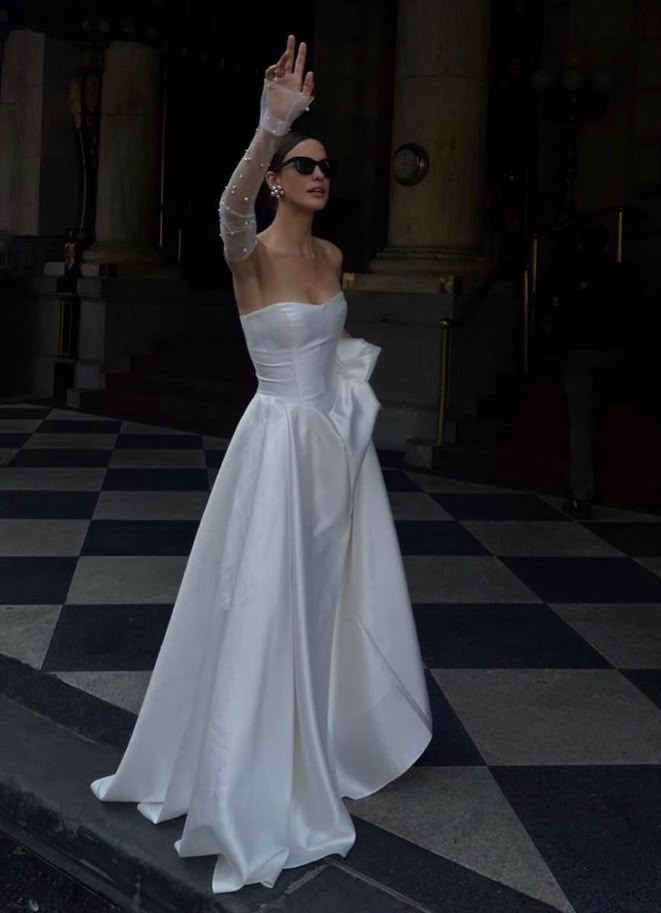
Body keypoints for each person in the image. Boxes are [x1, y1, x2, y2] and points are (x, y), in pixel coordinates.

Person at [90, 35, 432, 893]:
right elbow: (229, 209)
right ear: (280, 178)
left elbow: (335, 348)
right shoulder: (252, 254)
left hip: (331, 452)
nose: (320, 174)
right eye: (304, 164)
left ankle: (321, 727)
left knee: (324, 600)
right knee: (266, 601)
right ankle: (250, 766)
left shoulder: (330, 259)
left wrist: (344, 419)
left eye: (324, 165)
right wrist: (269, 127)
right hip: (275, 450)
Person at [554, 224, 637, 520]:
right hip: (611, 352)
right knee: (593, 419)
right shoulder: (619, 273)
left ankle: (582, 495)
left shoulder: (570, 272)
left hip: (579, 354)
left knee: (580, 424)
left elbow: (556, 310)